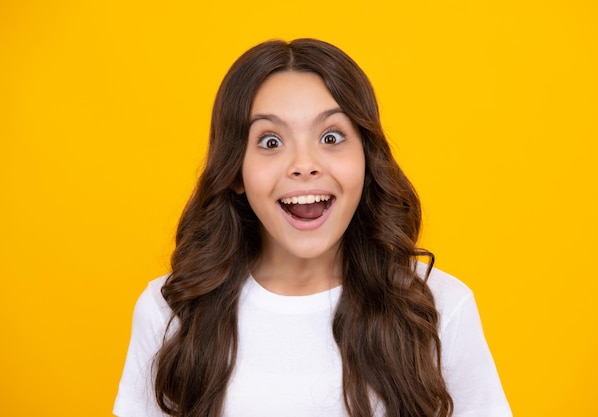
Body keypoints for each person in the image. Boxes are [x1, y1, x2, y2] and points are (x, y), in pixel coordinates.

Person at [113, 38, 512, 417]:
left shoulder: (438, 309)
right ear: (235, 171)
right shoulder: (170, 312)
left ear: (367, 159)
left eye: (331, 136)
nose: (304, 164)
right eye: (270, 142)